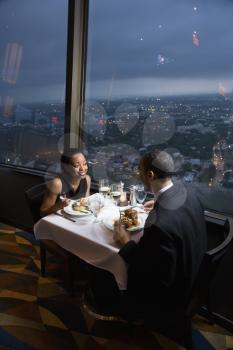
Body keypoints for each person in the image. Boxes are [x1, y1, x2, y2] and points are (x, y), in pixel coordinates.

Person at [114, 149, 207, 322]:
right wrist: (158, 204)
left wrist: (125, 242)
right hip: (195, 269)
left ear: (150, 175)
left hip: (175, 292)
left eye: (139, 171)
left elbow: (155, 276)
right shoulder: (189, 193)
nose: (137, 174)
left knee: (111, 274)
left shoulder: (158, 224)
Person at [40, 149, 91, 216]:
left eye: (84, 164)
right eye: (76, 165)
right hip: (59, 221)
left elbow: (86, 202)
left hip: (77, 218)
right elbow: (42, 213)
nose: (82, 168)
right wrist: (59, 205)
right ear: (66, 167)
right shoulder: (57, 183)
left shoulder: (87, 179)